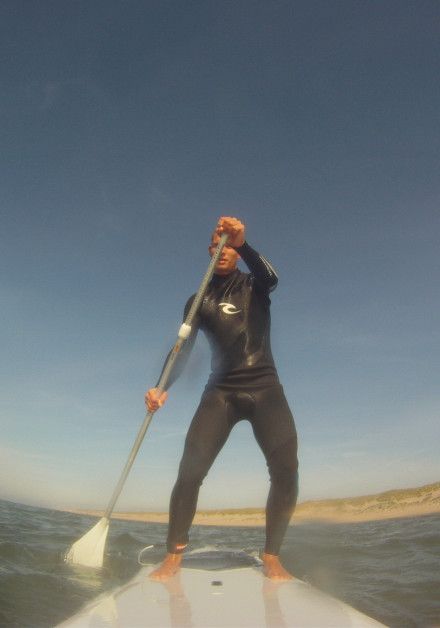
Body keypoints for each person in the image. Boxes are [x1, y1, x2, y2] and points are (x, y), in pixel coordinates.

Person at [145, 216, 298, 581]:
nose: (224, 250)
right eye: (219, 245)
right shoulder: (198, 299)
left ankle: (272, 557)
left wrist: (245, 242)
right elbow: (183, 347)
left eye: (231, 246)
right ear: (211, 252)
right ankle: (174, 555)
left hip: (265, 387)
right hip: (220, 392)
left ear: (237, 252)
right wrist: (160, 386)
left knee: (287, 471)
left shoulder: (254, 285)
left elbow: (273, 277)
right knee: (189, 473)